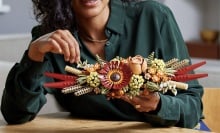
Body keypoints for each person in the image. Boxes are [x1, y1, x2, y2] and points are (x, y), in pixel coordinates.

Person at [1, 0, 204, 129]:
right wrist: (34, 53)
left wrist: (158, 105)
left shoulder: (154, 17)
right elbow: (15, 115)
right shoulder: (52, 39)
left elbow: (194, 107)